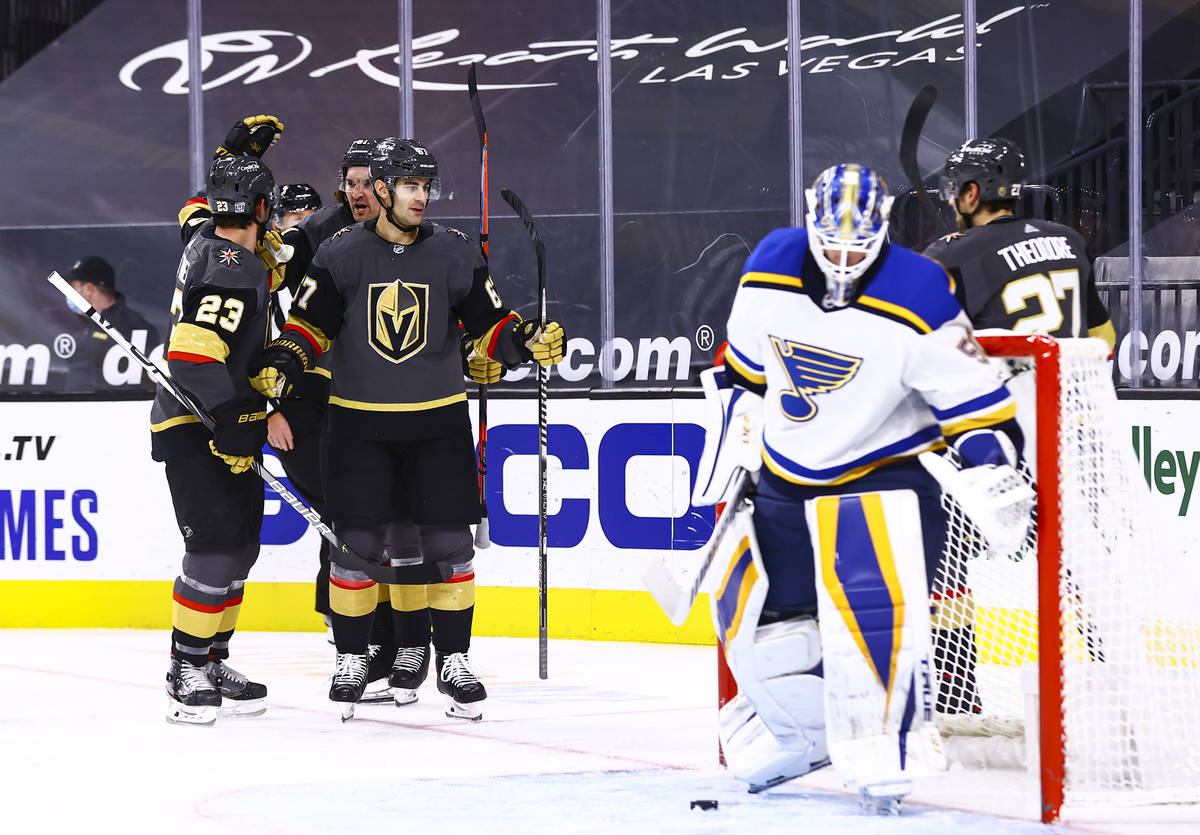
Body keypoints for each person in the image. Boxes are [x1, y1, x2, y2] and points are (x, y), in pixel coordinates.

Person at [704, 163, 1023, 807]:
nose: (844, 256)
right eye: (832, 242)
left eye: (859, 242)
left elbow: (976, 406)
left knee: (875, 622)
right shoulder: (770, 264)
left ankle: (889, 745)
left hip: (888, 472)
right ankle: (803, 735)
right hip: (787, 476)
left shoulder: (921, 288)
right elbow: (743, 377)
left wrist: (992, 468)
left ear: (882, 231)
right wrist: (734, 455)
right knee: (751, 625)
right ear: (807, 222)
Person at [247, 137, 565, 721]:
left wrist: (523, 341)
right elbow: (308, 326)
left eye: (427, 186)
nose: (422, 198)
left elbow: (487, 326)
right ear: (386, 189)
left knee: (449, 547)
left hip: (437, 424)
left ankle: (455, 660)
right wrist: (285, 360)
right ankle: (351, 656)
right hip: (357, 428)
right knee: (357, 549)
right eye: (411, 187)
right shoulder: (340, 252)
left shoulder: (455, 251)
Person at [151, 154, 280, 725]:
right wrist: (232, 414)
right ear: (260, 208)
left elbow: (196, 213)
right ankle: (185, 666)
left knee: (240, 549)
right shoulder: (233, 265)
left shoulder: (203, 241)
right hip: (197, 424)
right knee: (215, 548)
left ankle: (212, 657)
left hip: (224, 419)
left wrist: (235, 155)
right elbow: (190, 353)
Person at [923, 138, 1115, 349]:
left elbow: (919, 338)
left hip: (1000, 380)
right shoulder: (1069, 239)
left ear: (971, 194)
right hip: (1069, 378)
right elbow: (1104, 336)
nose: (951, 201)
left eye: (954, 191)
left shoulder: (950, 254)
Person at [64, 255, 160, 388]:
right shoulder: (82, 326)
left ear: (88, 289)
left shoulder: (135, 329)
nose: (67, 295)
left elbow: (143, 385)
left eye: (72, 288)